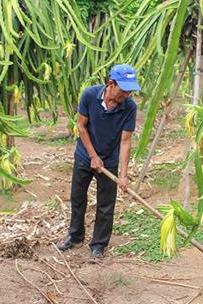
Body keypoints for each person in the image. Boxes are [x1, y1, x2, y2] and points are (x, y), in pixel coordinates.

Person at [56, 64, 141, 259]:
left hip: (109, 159)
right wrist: (93, 156)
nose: (127, 95)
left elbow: (126, 141)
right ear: (111, 83)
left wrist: (123, 175)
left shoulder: (129, 107)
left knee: (106, 204)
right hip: (85, 155)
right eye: (124, 90)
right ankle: (75, 236)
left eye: (130, 91)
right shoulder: (89, 95)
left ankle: (98, 245)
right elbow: (81, 126)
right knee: (78, 197)